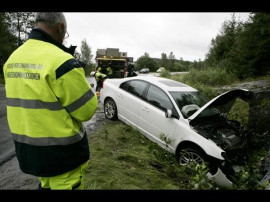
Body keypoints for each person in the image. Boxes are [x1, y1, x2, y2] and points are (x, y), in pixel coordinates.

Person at [3, 12, 98, 190]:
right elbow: (86, 111)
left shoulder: (12, 60)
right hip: (63, 158)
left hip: (30, 153)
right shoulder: (62, 62)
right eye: (65, 33)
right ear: (60, 27)